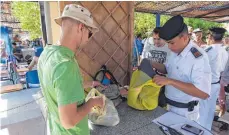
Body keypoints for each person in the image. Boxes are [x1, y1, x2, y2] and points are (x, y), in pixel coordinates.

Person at [37, 4, 105, 135]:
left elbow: (58, 87)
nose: (88, 39)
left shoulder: (47, 54)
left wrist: (89, 84)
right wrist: (92, 102)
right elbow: (69, 121)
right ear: (81, 27)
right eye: (89, 34)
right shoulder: (65, 65)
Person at [152, 15, 211, 122]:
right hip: (168, 107)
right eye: (167, 43)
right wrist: (151, 63)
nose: (169, 47)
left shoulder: (198, 58)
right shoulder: (175, 50)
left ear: (184, 38)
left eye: (171, 43)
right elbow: (167, 69)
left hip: (186, 112)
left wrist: (169, 81)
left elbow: (203, 93)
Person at [198, 27, 228, 130]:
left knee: (201, 111)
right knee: (210, 111)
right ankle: (207, 131)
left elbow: (198, 66)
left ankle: (200, 131)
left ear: (210, 37)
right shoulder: (225, 51)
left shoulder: (207, 50)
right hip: (216, 84)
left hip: (205, 85)